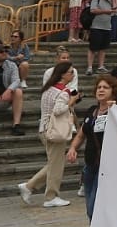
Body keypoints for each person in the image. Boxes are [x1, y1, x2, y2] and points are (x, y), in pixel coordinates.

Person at [69, 75, 117, 227]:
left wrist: (116, 111)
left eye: (105, 87)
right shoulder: (92, 111)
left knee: (97, 207)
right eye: (99, 87)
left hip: (108, 167)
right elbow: (82, 134)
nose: (101, 90)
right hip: (91, 165)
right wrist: (73, 148)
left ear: (113, 91)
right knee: (90, 210)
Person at [19, 61, 76, 208]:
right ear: (63, 74)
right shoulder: (63, 92)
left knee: (55, 162)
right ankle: (50, 196)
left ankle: (29, 186)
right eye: (70, 72)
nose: (73, 74)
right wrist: (71, 102)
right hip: (54, 130)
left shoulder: (49, 88)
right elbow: (58, 110)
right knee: (56, 164)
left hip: (44, 128)